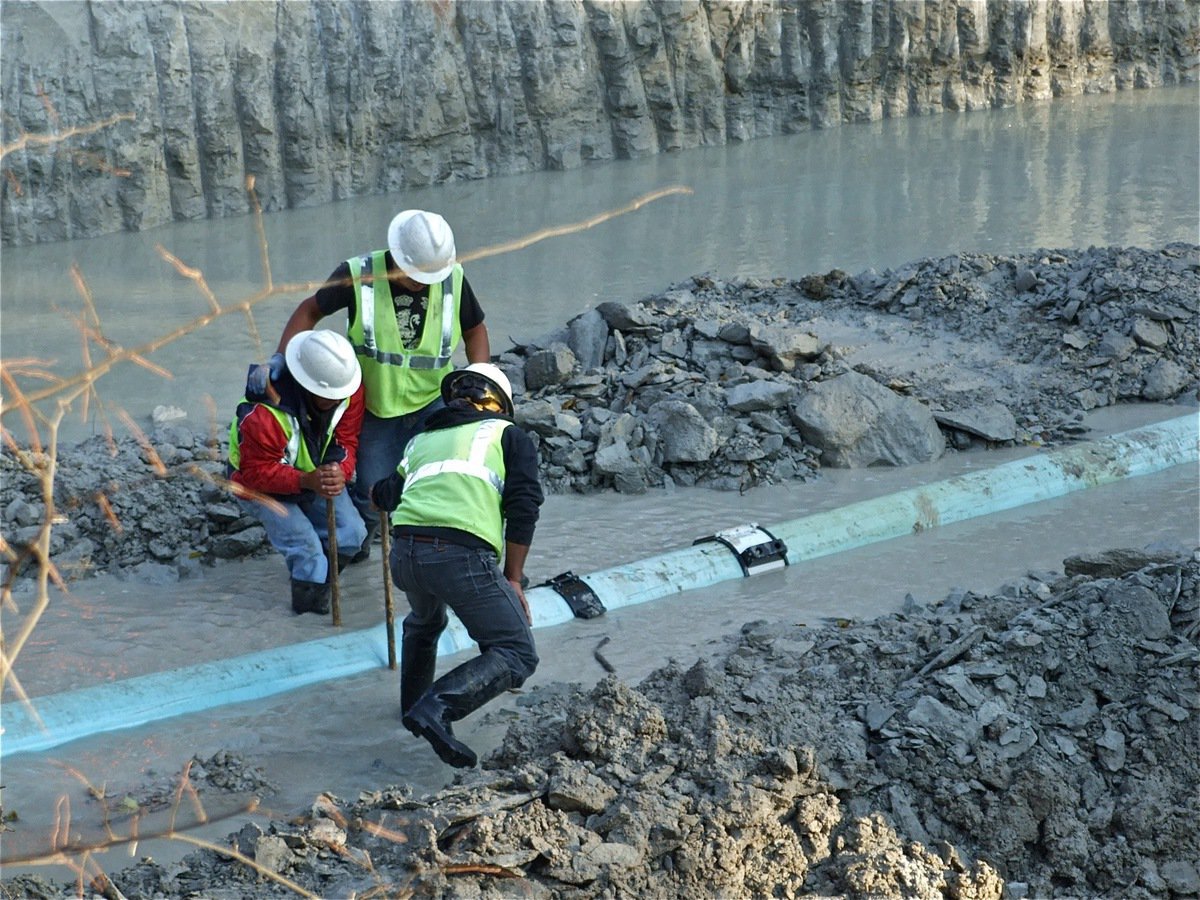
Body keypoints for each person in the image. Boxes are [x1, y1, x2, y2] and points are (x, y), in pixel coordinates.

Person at [249, 210, 491, 560]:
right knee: (371, 489)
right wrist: (283, 361)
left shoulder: (451, 278)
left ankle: (439, 548)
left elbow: (474, 330)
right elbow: (309, 311)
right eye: (415, 275)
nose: (424, 282)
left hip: (434, 402)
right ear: (396, 256)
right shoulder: (358, 275)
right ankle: (360, 546)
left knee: (443, 477)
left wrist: (480, 378)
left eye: (429, 276)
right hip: (378, 408)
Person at [370, 363, 543, 768]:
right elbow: (523, 508)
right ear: (499, 404)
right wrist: (513, 579)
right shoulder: (508, 435)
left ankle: (412, 712)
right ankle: (437, 709)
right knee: (517, 653)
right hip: (458, 556)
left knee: (424, 624)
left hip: (406, 555)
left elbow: (385, 495)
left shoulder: (422, 440)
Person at [228, 330, 368, 615]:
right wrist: (306, 480)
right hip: (256, 485)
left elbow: (346, 440)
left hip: (310, 474)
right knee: (308, 552)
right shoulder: (264, 414)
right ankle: (308, 613)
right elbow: (255, 474)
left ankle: (319, 588)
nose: (338, 399)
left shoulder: (349, 388)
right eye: (328, 396)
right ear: (307, 384)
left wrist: (339, 471)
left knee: (352, 534)